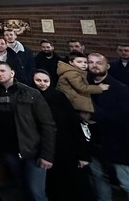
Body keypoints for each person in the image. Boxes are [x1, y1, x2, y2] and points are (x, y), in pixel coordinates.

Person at [0, 62, 56, 201]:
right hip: (10, 150)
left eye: (2, 70)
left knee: (36, 193)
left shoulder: (31, 93)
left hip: (32, 150)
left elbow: (47, 125)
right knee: (22, 189)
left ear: (12, 73)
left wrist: (47, 154)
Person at [86, 53, 129, 201]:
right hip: (94, 142)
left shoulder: (120, 89)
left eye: (99, 62)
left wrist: (92, 115)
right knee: (99, 178)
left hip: (116, 143)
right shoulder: (85, 87)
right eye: (90, 62)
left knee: (125, 181)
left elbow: (125, 117)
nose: (94, 65)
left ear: (107, 66)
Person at [32, 70, 93, 200]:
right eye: (38, 80)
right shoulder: (30, 97)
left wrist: (83, 154)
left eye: (45, 81)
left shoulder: (59, 97)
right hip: (46, 148)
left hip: (66, 147)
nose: (42, 84)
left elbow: (74, 125)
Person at [57, 51, 108, 121]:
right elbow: (82, 87)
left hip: (74, 102)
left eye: (85, 62)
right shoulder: (72, 73)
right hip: (74, 104)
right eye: (79, 62)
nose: (83, 64)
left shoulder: (76, 72)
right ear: (71, 63)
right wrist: (99, 88)